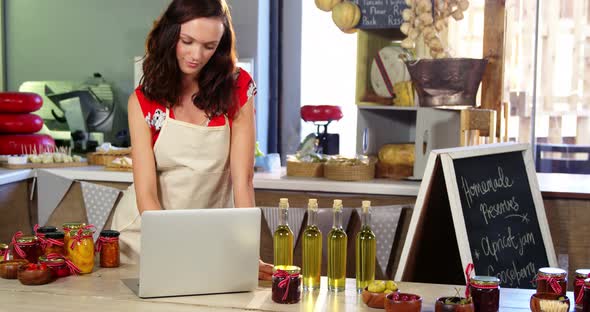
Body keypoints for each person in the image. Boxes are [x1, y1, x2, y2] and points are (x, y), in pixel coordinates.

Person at [111, 0, 273, 280]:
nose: (196, 55)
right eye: (187, 41)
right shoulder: (143, 102)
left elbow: (243, 181)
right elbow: (146, 194)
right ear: (170, 35)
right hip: (146, 237)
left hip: (207, 237)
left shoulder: (237, 88)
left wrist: (248, 251)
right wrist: (173, 249)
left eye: (209, 46)